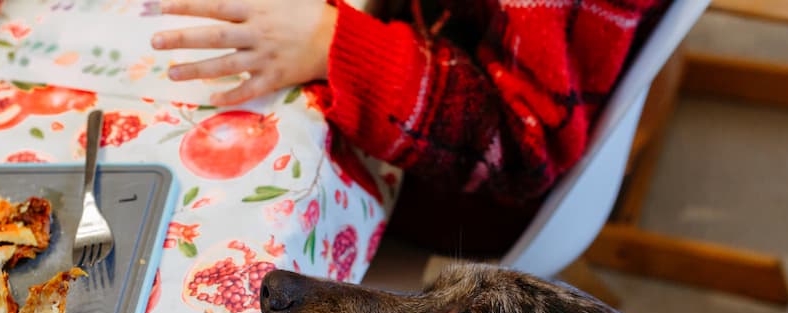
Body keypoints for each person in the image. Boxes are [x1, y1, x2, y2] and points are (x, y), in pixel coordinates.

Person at [151, 0, 670, 258]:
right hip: (420, 42)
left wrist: (331, 42)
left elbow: (518, 149)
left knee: (192, 228)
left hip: (460, 189)